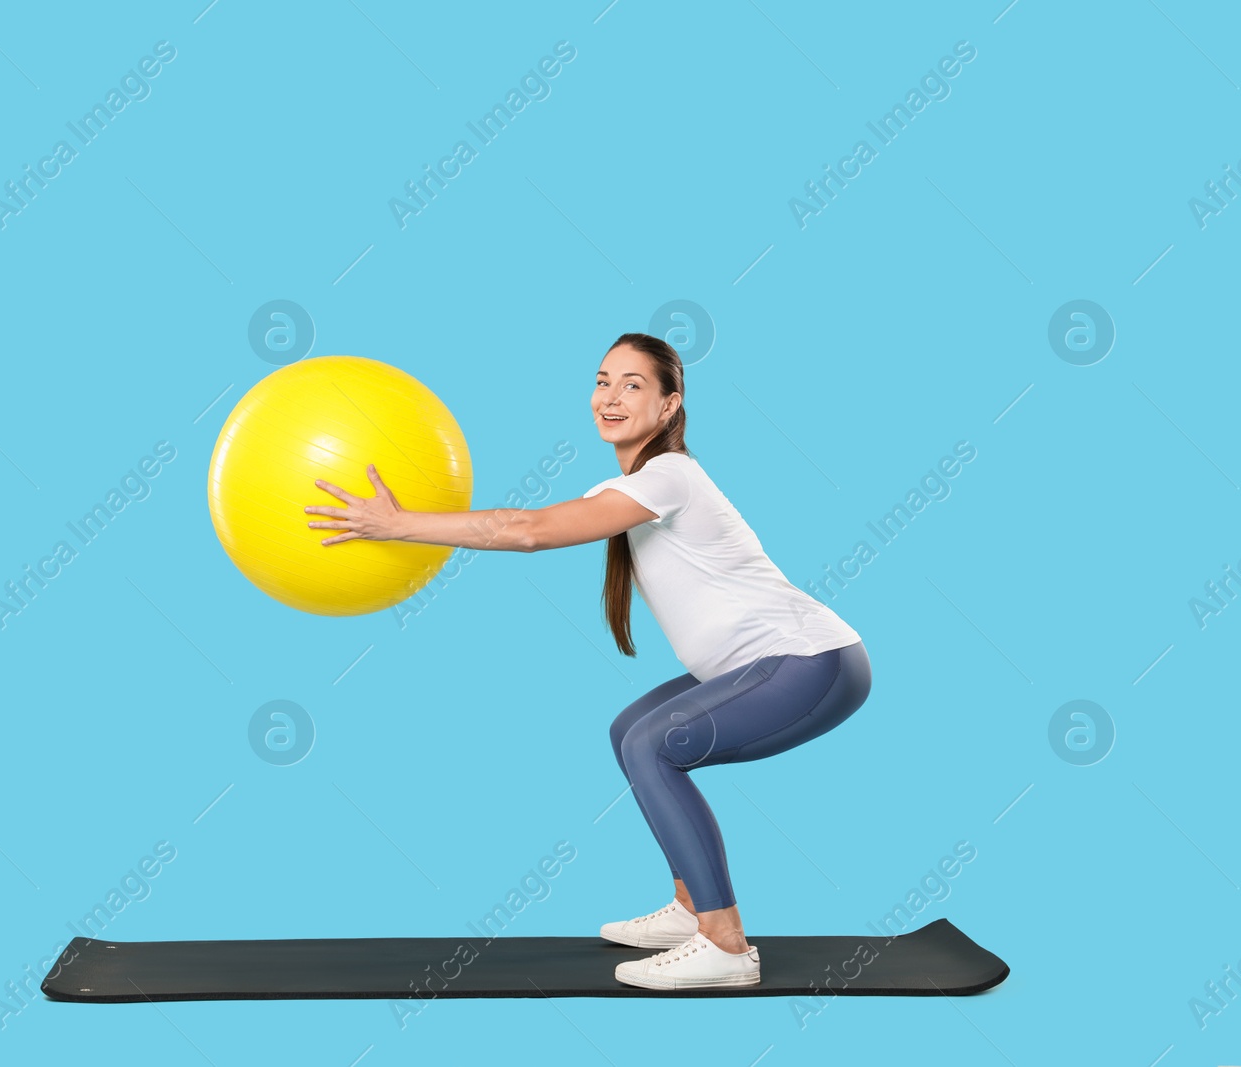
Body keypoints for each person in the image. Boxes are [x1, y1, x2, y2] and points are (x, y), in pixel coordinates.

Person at [304, 332, 871, 991]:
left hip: (810, 663)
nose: (611, 395)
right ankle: (692, 905)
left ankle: (726, 942)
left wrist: (399, 524)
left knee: (655, 745)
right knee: (632, 728)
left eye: (634, 384)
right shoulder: (645, 483)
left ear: (669, 406)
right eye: (603, 380)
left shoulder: (669, 475)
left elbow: (531, 531)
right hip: (781, 663)